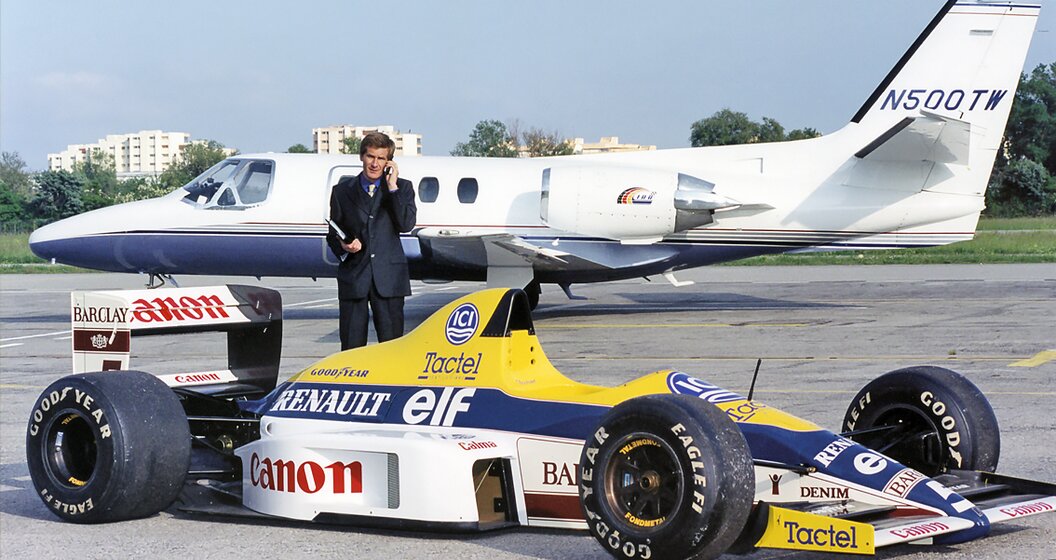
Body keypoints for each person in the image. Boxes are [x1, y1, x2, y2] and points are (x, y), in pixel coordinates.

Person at [326, 132, 417, 349]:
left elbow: (406, 224)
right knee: (351, 349)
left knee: (392, 349)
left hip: (389, 279)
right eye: (370, 157)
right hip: (354, 279)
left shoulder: (402, 188)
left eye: (381, 158)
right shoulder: (341, 192)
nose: (375, 164)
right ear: (362, 157)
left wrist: (392, 187)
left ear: (389, 162)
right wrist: (343, 246)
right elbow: (333, 234)